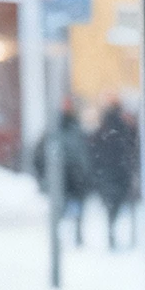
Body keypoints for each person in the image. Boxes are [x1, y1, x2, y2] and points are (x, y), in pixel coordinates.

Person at [33, 97, 92, 247]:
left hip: (75, 178)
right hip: (63, 179)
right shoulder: (54, 130)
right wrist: (44, 177)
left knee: (76, 210)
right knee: (60, 210)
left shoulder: (76, 128)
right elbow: (38, 155)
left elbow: (84, 153)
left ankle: (77, 237)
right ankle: (57, 240)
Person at [91, 98, 142, 249]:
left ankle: (112, 232)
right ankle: (114, 233)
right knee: (117, 204)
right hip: (119, 171)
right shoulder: (123, 127)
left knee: (112, 206)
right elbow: (132, 147)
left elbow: (94, 150)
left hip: (109, 172)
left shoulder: (103, 128)